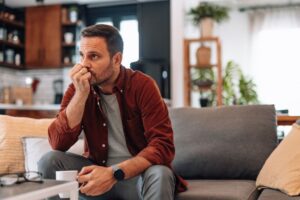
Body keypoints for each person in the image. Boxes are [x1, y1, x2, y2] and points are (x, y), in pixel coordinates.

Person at [38, 24, 187, 200]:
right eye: (82, 56)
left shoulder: (143, 86)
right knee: (49, 161)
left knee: (161, 174)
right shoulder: (77, 88)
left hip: (137, 177)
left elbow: (163, 146)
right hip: (96, 176)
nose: (84, 64)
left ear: (116, 59)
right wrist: (80, 95)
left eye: (93, 56)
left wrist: (113, 173)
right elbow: (58, 143)